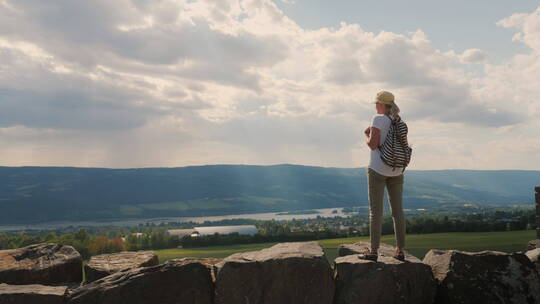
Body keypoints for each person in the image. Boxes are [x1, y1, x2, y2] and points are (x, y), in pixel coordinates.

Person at [359, 90, 406, 262]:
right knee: (398, 212)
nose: (375, 106)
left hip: (378, 170)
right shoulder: (397, 120)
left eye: (376, 103)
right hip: (396, 170)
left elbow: (373, 145)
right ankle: (400, 250)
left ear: (381, 104)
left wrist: (366, 134)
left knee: (376, 212)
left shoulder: (377, 119)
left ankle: (373, 251)